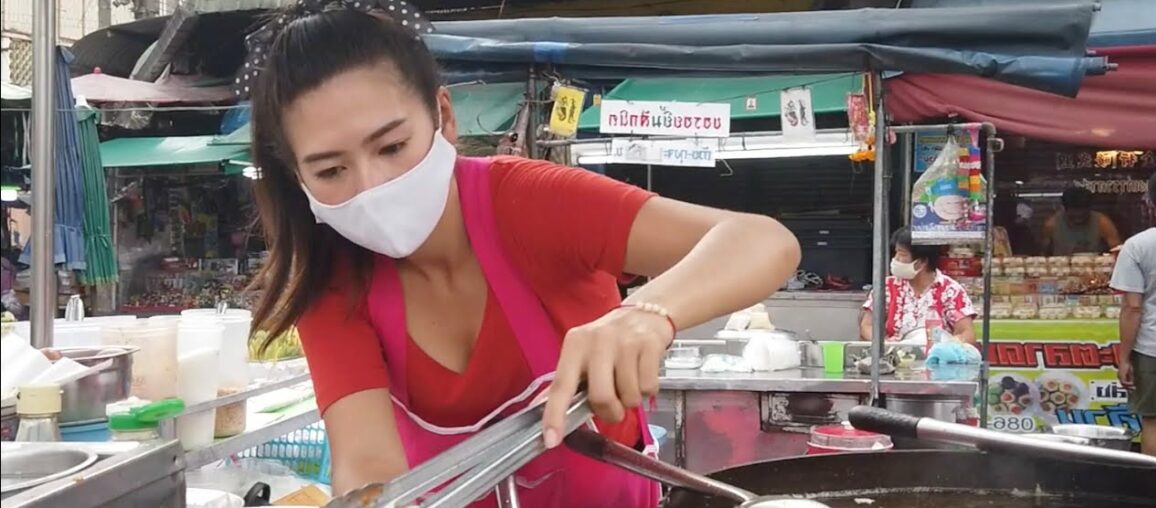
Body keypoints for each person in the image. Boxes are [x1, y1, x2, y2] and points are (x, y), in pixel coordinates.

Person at [243, 3, 801, 505]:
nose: (372, 185)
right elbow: (367, 467)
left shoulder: (527, 202)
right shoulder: (330, 280)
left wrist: (646, 313)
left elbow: (763, 241)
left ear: (445, 116)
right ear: (297, 178)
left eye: (392, 147)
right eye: (331, 170)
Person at [1110, 169, 1156, 458]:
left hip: (1153, 348)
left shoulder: (1137, 246)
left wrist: (1124, 357)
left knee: (1153, 423)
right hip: (1154, 346)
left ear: (1150, 202)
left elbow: (1133, 307)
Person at [859, 227, 976, 344]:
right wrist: (886, 345)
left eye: (902, 254)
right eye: (896, 254)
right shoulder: (886, 287)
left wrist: (948, 346)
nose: (896, 259)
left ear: (922, 262)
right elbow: (867, 326)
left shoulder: (951, 290)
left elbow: (967, 333)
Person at [1041, 187, 1122, 255]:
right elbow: (1043, 254)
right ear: (1065, 209)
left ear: (1089, 208)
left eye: (1083, 215)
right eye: (1073, 216)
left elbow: (1117, 252)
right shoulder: (1052, 225)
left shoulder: (1102, 223)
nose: (1078, 219)